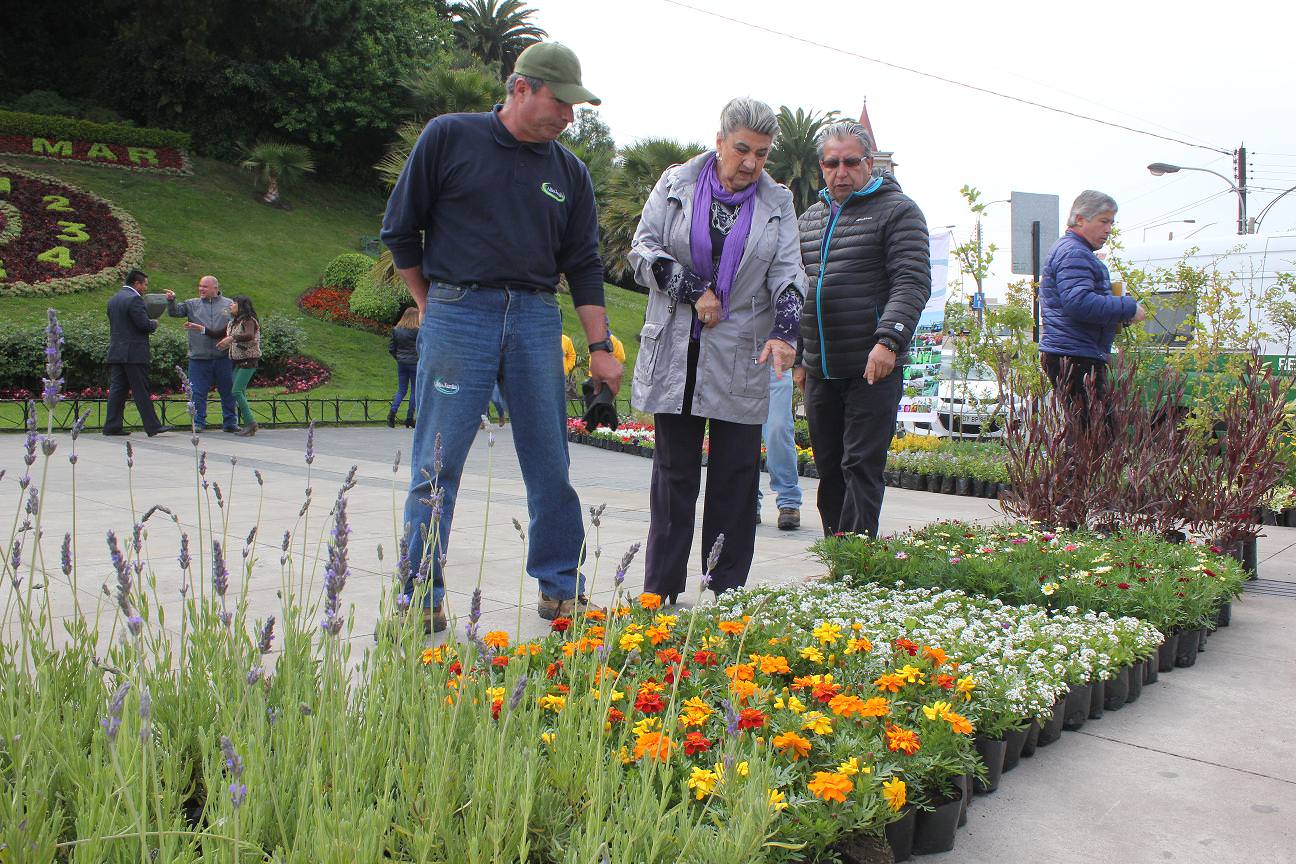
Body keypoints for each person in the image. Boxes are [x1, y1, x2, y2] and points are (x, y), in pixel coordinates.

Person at [381, 41, 622, 633]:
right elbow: (400, 230)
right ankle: (421, 597)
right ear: (521, 88)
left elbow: (585, 265)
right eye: (560, 104)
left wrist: (599, 349)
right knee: (437, 462)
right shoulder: (449, 137)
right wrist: (430, 303)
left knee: (551, 462)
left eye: (574, 108)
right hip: (459, 310)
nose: (568, 118)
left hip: (537, 318)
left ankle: (561, 589)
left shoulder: (570, 172)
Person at [629, 97, 804, 601]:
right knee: (673, 478)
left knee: (735, 480)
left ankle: (725, 593)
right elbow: (642, 250)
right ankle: (658, 593)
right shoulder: (675, 183)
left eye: (763, 154)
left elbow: (789, 272)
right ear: (721, 140)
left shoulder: (778, 203)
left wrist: (785, 332)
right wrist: (690, 288)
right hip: (677, 351)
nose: (750, 163)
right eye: (743, 149)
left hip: (742, 356)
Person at [794, 121, 931, 539]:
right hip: (821, 367)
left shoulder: (898, 211)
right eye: (832, 163)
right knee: (829, 466)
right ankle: (838, 557)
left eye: (851, 162)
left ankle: (856, 561)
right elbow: (799, 288)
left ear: (869, 163)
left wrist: (889, 340)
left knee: (861, 465)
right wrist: (800, 356)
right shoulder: (810, 219)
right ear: (821, 167)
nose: (841, 171)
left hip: (872, 366)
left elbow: (912, 281)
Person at [1038, 190, 1147, 418]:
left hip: (1072, 351)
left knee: (1088, 434)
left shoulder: (1073, 251)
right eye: (1103, 221)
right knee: (1094, 436)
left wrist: (1115, 316)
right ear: (1080, 219)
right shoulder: (1074, 253)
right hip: (1074, 354)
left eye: (1111, 223)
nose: (1108, 229)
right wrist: (1126, 307)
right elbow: (1078, 303)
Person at [103, 269, 173, 437]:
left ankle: (112, 426)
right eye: (144, 285)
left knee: (117, 390)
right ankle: (152, 426)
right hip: (134, 353)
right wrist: (154, 323)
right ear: (136, 283)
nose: (145, 288)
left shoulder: (114, 299)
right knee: (141, 389)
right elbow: (142, 325)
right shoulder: (134, 299)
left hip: (117, 351)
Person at [168, 275, 239, 432]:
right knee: (197, 392)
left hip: (224, 357)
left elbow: (238, 325)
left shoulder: (229, 305)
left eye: (205, 287)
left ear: (215, 288)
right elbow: (174, 313)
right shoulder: (191, 304)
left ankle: (230, 422)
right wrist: (171, 300)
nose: (201, 289)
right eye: (200, 286)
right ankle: (199, 422)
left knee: (228, 390)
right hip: (199, 357)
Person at [757, 363, 802, 530]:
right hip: (738, 357)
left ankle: (789, 501)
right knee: (743, 431)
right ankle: (748, 500)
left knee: (779, 428)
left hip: (775, 359)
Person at [218, 295, 261, 436]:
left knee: (236, 391)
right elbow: (219, 334)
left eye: (234, 303)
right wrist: (201, 328)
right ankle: (249, 424)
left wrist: (232, 338)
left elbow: (249, 335)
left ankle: (251, 423)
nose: (230, 306)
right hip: (238, 362)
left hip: (249, 361)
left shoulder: (249, 321)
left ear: (241, 306)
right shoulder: (234, 322)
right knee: (239, 392)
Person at [387, 306, 420, 428]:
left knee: (401, 390)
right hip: (415, 363)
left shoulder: (396, 330)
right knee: (415, 391)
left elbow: (391, 348)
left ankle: (391, 414)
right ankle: (409, 418)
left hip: (402, 362)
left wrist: (399, 357)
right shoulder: (418, 331)